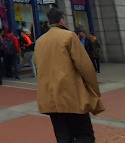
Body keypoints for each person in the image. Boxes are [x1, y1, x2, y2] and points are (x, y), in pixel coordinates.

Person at [36, 8, 104, 143]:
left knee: (63, 137)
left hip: (50, 97)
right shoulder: (69, 36)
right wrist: (94, 91)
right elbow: (85, 66)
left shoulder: (39, 41)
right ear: (62, 20)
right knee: (85, 135)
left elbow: (39, 67)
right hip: (71, 94)